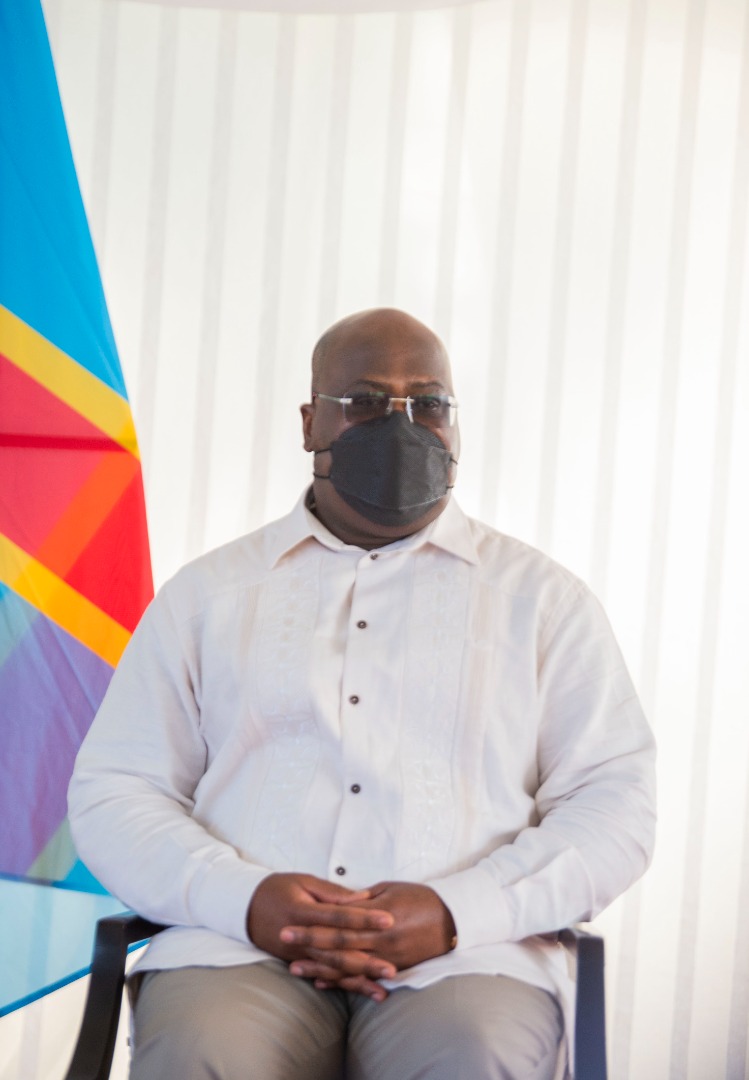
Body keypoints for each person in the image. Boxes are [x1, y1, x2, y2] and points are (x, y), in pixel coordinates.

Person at [68, 308, 656, 1080]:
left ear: (455, 425)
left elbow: (614, 806)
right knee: (203, 1054)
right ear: (310, 422)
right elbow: (117, 788)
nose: (401, 425)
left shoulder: (543, 603)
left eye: (428, 403)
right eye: (367, 401)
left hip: (466, 958)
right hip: (238, 947)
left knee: (472, 1054)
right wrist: (244, 898)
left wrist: (456, 911)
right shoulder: (207, 596)